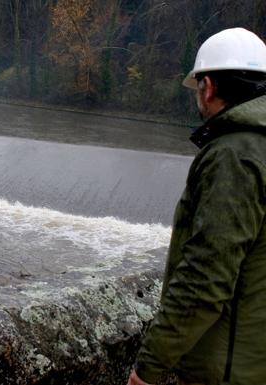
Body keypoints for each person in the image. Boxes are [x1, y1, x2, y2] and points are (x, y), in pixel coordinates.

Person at [127, 28, 266, 385]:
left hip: (227, 369)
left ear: (208, 86)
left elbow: (206, 277)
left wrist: (149, 367)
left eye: (198, 88)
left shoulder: (234, 155)